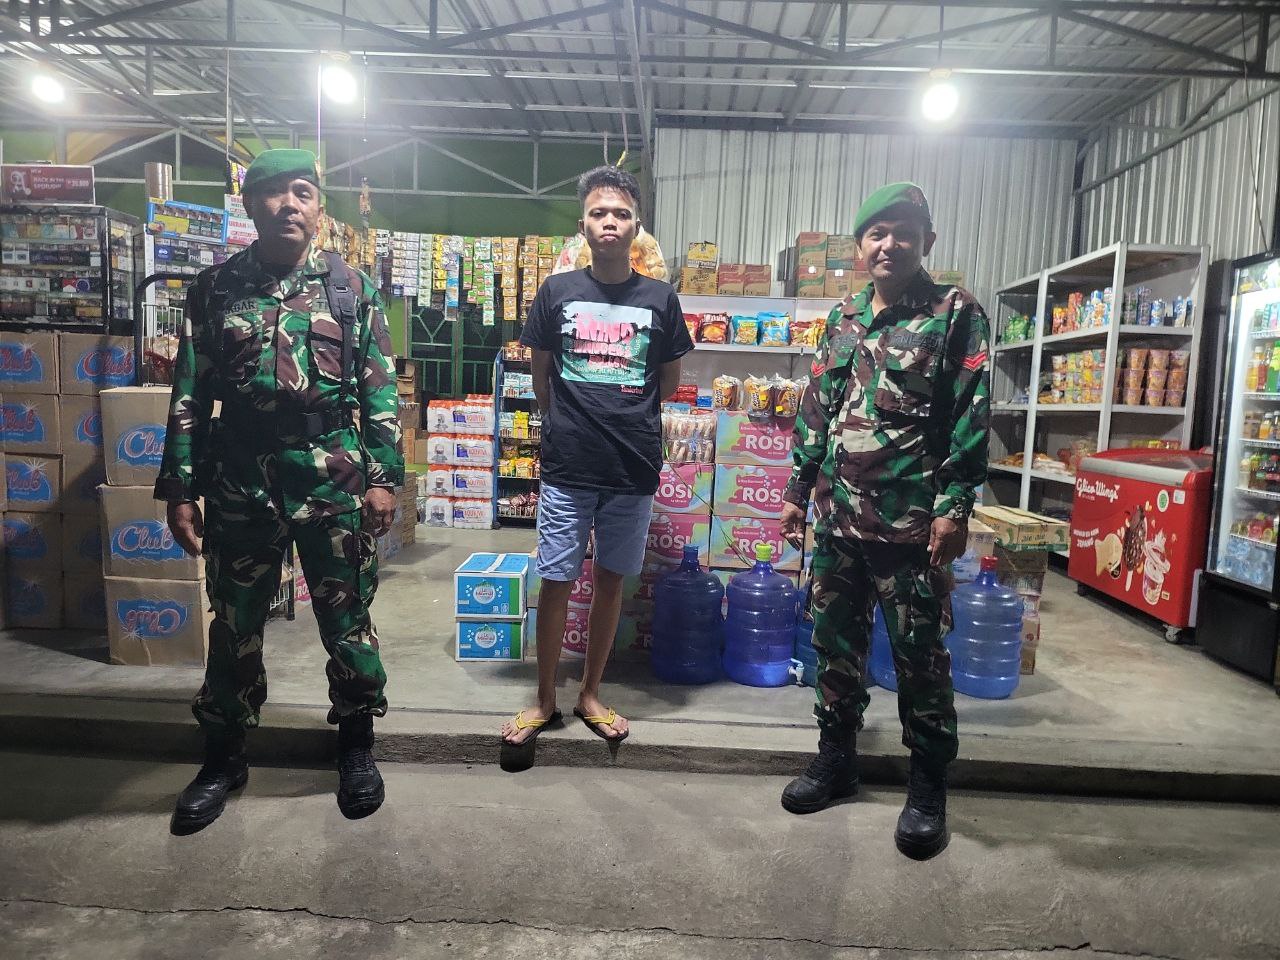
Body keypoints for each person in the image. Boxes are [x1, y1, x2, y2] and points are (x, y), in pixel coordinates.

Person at [155, 149, 403, 832]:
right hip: (240, 476)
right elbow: (188, 394)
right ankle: (224, 755)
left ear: (318, 208)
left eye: (303, 192)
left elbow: (380, 391)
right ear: (250, 205)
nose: (289, 204)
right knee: (235, 622)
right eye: (273, 191)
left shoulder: (351, 289)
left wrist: (384, 479)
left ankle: (355, 742)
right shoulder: (215, 290)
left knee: (346, 616)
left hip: (332, 475)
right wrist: (180, 486)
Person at [777, 182, 990, 859]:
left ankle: (927, 787)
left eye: (903, 232)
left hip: (911, 525)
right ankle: (836, 760)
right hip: (838, 518)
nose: (889, 244)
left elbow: (971, 412)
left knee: (919, 659)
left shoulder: (954, 313)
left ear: (927, 241)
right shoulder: (843, 317)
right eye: (876, 232)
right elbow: (818, 406)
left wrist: (955, 506)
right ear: (859, 245)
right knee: (834, 649)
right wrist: (797, 488)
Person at [499, 165, 693, 767]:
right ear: (582, 224)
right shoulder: (556, 291)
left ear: (637, 226)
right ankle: (543, 699)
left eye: (622, 214)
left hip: (632, 464)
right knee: (556, 579)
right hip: (568, 462)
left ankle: (589, 694)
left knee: (611, 579)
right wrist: (569, 425)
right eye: (599, 213)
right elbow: (542, 379)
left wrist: (624, 418)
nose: (610, 222)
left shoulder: (660, 299)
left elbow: (667, 382)